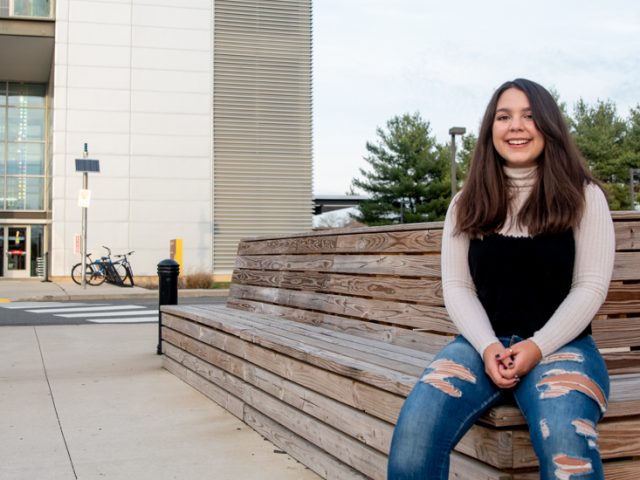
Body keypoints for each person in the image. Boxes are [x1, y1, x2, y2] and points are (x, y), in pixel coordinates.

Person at [387, 78, 614, 480]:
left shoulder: (584, 196)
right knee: (414, 432)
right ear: (490, 129)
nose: (516, 127)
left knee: (567, 444)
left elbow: (590, 287)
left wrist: (537, 347)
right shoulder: (466, 201)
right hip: (480, 346)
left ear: (549, 126)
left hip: (563, 347)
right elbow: (458, 288)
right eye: (504, 116)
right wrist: (488, 345)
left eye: (530, 116)